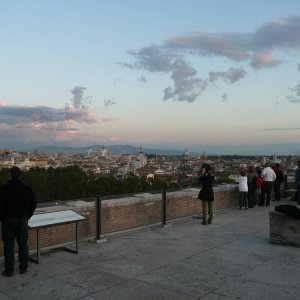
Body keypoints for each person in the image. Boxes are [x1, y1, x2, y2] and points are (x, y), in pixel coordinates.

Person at [0, 167, 36, 277]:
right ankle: (23, 267)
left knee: (8, 246)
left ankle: (9, 270)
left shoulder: (3, 189)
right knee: (23, 245)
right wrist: (27, 216)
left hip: (8, 221)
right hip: (22, 220)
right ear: (20, 175)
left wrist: (2, 218)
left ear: (10, 175)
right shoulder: (27, 189)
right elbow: (33, 204)